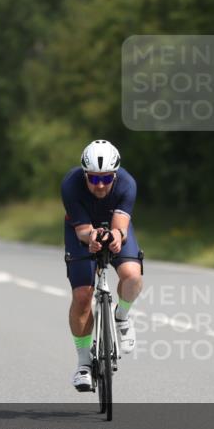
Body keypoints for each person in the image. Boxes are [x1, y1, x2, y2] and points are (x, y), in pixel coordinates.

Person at [62, 140, 143, 392]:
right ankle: (84, 363)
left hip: (113, 227)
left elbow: (120, 226)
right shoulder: (71, 184)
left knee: (132, 276)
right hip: (81, 232)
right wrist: (92, 238)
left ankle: (122, 316)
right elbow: (83, 231)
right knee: (82, 295)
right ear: (84, 174)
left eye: (106, 179)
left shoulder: (127, 183)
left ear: (115, 174)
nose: (99, 185)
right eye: (93, 179)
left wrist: (117, 237)